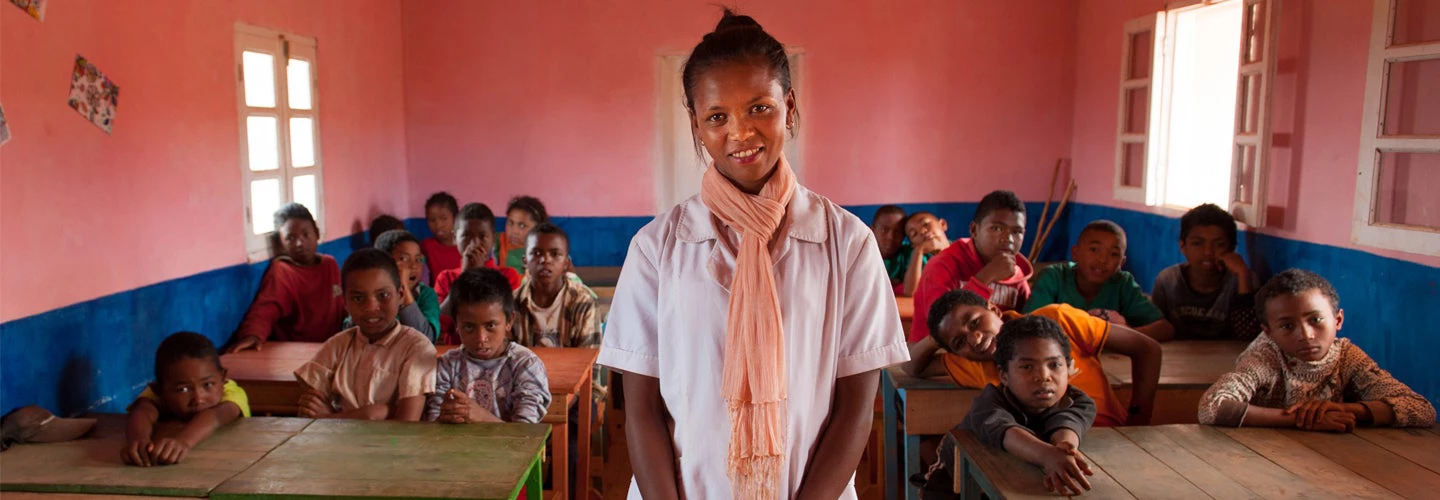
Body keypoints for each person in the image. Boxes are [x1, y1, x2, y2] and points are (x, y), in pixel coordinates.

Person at [596, 10, 909, 499]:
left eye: (759, 108)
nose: (740, 133)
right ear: (697, 126)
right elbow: (641, 410)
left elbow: (854, 410)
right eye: (717, 116)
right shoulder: (657, 248)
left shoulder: (847, 243)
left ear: (788, 105)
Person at [1198, 269, 1435, 429]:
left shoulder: (1347, 357)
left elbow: (1421, 409)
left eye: (1316, 320)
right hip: (1258, 456)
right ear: (1269, 332)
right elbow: (1212, 407)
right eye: (1287, 326)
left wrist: (1348, 410)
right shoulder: (1266, 357)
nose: (1306, 335)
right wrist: (1302, 419)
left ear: (1338, 320)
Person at [905, 289, 1159, 427]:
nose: (975, 339)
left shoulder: (1056, 319)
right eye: (960, 342)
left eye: (975, 322)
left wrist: (1139, 418)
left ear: (994, 309)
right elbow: (910, 366)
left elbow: (1147, 348)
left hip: (1112, 436)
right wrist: (936, 338)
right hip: (1051, 454)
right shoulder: (975, 365)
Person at [919, 316, 1098, 497]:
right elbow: (1006, 431)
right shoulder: (988, 404)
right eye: (1027, 366)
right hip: (953, 491)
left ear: (1069, 368)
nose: (1044, 376)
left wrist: (1065, 448)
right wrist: (1048, 455)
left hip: (1015, 485)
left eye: (1054, 365)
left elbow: (1068, 421)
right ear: (1003, 375)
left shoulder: (1079, 401)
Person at [294, 249, 437, 421]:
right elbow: (311, 406)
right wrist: (379, 413)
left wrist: (333, 417)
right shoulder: (338, 345)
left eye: (383, 295)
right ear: (345, 303)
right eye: (358, 298)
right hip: (338, 444)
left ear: (400, 295)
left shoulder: (416, 347)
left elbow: (407, 424)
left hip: (392, 446)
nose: (371, 307)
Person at [427, 268, 551, 424]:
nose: (481, 338)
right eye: (469, 327)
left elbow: (524, 436)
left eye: (491, 325)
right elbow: (433, 425)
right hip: (456, 448)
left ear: (509, 321)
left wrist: (481, 417)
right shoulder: (447, 366)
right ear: (456, 324)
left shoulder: (525, 365)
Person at [910, 190, 1033, 342]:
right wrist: (985, 277)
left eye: (1017, 232)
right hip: (936, 355)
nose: (1008, 238)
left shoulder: (1016, 274)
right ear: (974, 230)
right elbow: (942, 326)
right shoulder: (942, 265)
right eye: (997, 228)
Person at [226, 203, 345, 353]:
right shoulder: (282, 271)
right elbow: (265, 309)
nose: (300, 243)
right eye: (290, 238)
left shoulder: (329, 264)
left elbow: (343, 305)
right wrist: (252, 335)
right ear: (281, 244)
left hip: (331, 347)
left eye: (305, 234)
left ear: (317, 234)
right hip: (297, 352)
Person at [1024, 220, 1170, 338]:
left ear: (1121, 263)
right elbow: (1028, 325)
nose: (1102, 260)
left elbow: (1164, 328)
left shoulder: (1122, 284)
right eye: (1094, 250)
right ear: (1075, 253)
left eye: (1113, 254)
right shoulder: (1054, 277)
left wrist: (1126, 332)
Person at [123, 332, 249, 466]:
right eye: (183, 389)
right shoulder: (161, 392)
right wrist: (139, 441)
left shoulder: (231, 391)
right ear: (159, 390)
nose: (198, 398)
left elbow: (216, 416)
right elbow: (144, 411)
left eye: (207, 385)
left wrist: (183, 442)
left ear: (223, 377)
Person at [1151, 203, 1260, 341]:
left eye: (1219, 244)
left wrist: (1244, 275)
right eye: (1197, 243)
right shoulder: (1168, 281)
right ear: (1183, 246)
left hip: (1225, 360)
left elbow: (1247, 338)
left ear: (1232, 248)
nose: (1208, 252)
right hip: (1177, 359)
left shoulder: (1242, 280)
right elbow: (1157, 329)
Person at [513, 223, 599, 348]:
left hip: (573, 368)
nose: (545, 260)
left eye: (554, 254)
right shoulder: (512, 302)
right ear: (525, 261)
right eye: (536, 253)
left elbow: (590, 360)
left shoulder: (582, 301)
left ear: (566, 263)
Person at [372, 229, 441, 341]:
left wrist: (403, 287)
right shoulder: (371, 294)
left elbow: (425, 339)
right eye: (404, 259)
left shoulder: (426, 295)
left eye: (418, 259)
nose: (414, 266)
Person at [900, 211, 949, 297]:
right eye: (914, 234)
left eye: (925, 224)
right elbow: (911, 292)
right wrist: (919, 250)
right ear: (913, 244)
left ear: (942, 224)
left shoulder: (963, 248)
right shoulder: (921, 260)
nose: (922, 231)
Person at [498, 196, 548, 275]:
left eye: (522, 226)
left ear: (538, 228)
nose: (514, 231)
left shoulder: (547, 247)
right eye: (510, 223)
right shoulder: (499, 241)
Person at [421, 192, 462, 282]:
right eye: (432, 220)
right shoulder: (426, 246)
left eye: (443, 218)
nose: (438, 225)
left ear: (455, 218)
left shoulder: (466, 247)